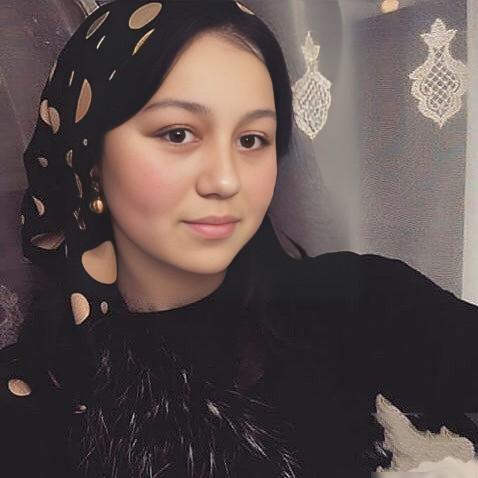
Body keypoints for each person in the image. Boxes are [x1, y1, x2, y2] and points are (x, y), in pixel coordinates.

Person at [2, 1, 478, 477]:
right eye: (178, 133)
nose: (227, 180)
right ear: (88, 160)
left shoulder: (363, 300)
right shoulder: (30, 405)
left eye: (252, 138)